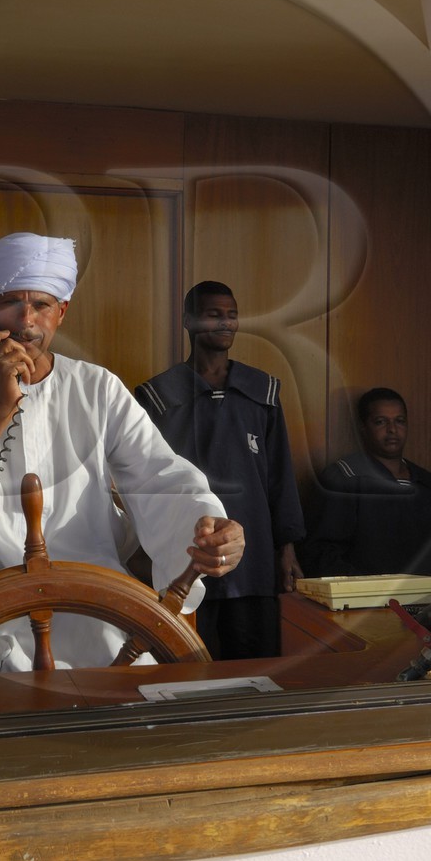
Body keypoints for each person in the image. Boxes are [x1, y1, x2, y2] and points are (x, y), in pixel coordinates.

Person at [0, 232, 246, 674]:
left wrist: (206, 522)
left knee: (124, 652)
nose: (26, 320)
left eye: (42, 305)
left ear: (61, 313)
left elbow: (159, 475)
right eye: (11, 301)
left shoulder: (97, 388)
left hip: (77, 575)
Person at [133, 282, 305, 660]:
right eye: (214, 314)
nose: (226, 323)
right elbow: (139, 483)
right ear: (188, 321)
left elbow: (279, 477)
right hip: (187, 557)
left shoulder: (261, 392)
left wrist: (286, 549)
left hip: (255, 559)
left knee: (256, 665)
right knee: (191, 665)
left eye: (231, 315)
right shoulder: (157, 397)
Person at [303, 388, 431, 580]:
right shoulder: (345, 478)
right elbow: (320, 554)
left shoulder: (428, 484)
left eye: (399, 421)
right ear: (363, 428)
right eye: (381, 422)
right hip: (368, 603)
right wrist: (367, 592)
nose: (392, 429)